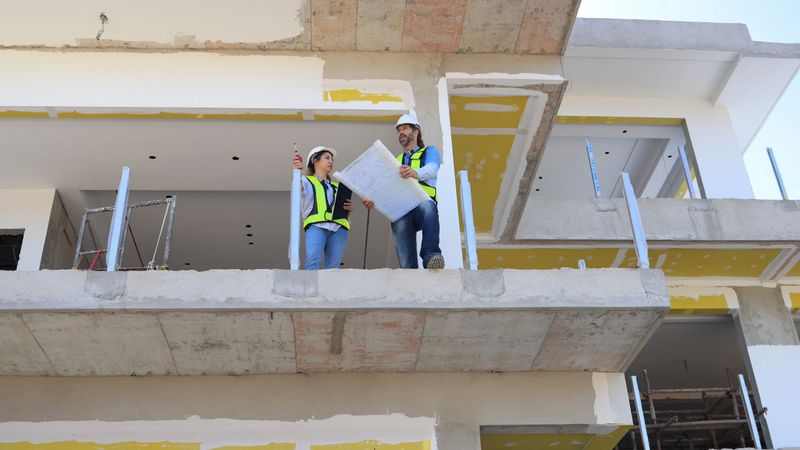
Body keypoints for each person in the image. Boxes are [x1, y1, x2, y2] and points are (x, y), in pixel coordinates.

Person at [363, 110, 444, 269]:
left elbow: (432, 168)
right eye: (399, 130)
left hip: (422, 204)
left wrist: (416, 173)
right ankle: (409, 273)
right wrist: (373, 199)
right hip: (403, 208)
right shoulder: (397, 161)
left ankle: (431, 256)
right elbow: (385, 187)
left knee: (428, 206)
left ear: (416, 131)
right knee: (399, 228)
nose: (401, 132)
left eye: (405, 128)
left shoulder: (429, 151)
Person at [292, 146, 353, 270]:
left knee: (333, 268)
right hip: (316, 226)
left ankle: (329, 290)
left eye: (332, 159)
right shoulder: (305, 181)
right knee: (312, 260)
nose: (331, 161)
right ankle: (309, 289)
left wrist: (348, 209)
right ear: (315, 161)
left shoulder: (337, 186)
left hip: (338, 228)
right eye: (327, 158)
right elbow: (296, 189)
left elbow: (341, 208)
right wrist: (296, 171)